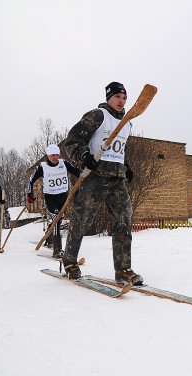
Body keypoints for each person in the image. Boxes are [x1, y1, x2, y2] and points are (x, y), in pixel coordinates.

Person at [61, 81, 140, 284]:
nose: (121, 101)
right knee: (82, 220)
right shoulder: (97, 116)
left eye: (124, 98)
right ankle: (69, 261)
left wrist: (127, 167)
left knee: (124, 220)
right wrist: (83, 155)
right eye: (117, 97)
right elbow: (73, 141)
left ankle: (123, 269)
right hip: (95, 176)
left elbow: (121, 150)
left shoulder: (127, 123)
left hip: (117, 179)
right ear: (108, 98)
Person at [27, 144, 81, 258]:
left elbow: (77, 172)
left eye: (56, 155)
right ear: (48, 155)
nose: (55, 157)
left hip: (63, 196)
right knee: (56, 219)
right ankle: (57, 250)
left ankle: (49, 236)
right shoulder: (42, 167)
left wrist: (81, 170)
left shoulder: (63, 163)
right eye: (52, 155)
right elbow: (31, 180)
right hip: (50, 197)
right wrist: (29, 194)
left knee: (59, 219)